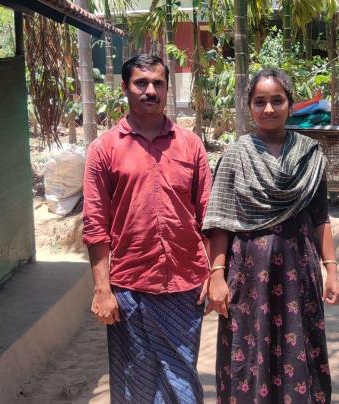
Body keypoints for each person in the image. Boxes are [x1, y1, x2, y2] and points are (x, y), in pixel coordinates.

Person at [202, 68, 339, 404]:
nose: (269, 109)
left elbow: (320, 216)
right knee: (249, 349)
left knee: (300, 347)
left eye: (277, 101)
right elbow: (221, 220)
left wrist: (332, 270)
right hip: (248, 275)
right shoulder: (235, 155)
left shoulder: (310, 156)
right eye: (260, 101)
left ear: (290, 105)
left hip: (298, 272)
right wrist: (216, 276)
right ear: (249, 106)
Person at [82, 54, 212, 404]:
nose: (150, 90)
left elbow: (209, 217)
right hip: (129, 289)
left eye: (158, 83)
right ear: (125, 87)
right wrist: (101, 290)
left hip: (185, 286)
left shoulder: (190, 145)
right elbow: (95, 225)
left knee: (181, 378)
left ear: (167, 89)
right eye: (141, 83)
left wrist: (214, 273)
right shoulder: (104, 149)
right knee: (134, 380)